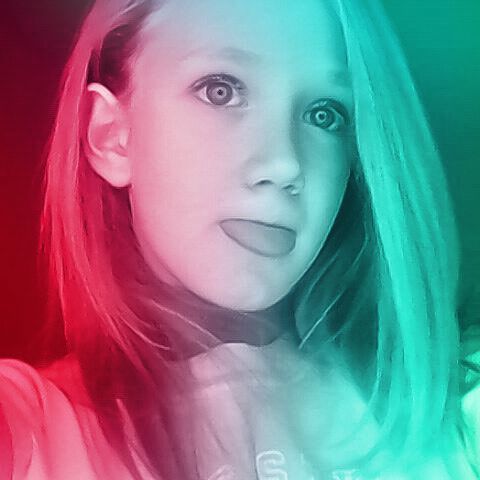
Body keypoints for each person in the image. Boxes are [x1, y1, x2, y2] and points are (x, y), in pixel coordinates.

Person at [0, 0, 478, 478]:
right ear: (110, 135)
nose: (285, 164)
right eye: (220, 91)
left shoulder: (453, 415)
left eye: (324, 114)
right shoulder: (30, 428)